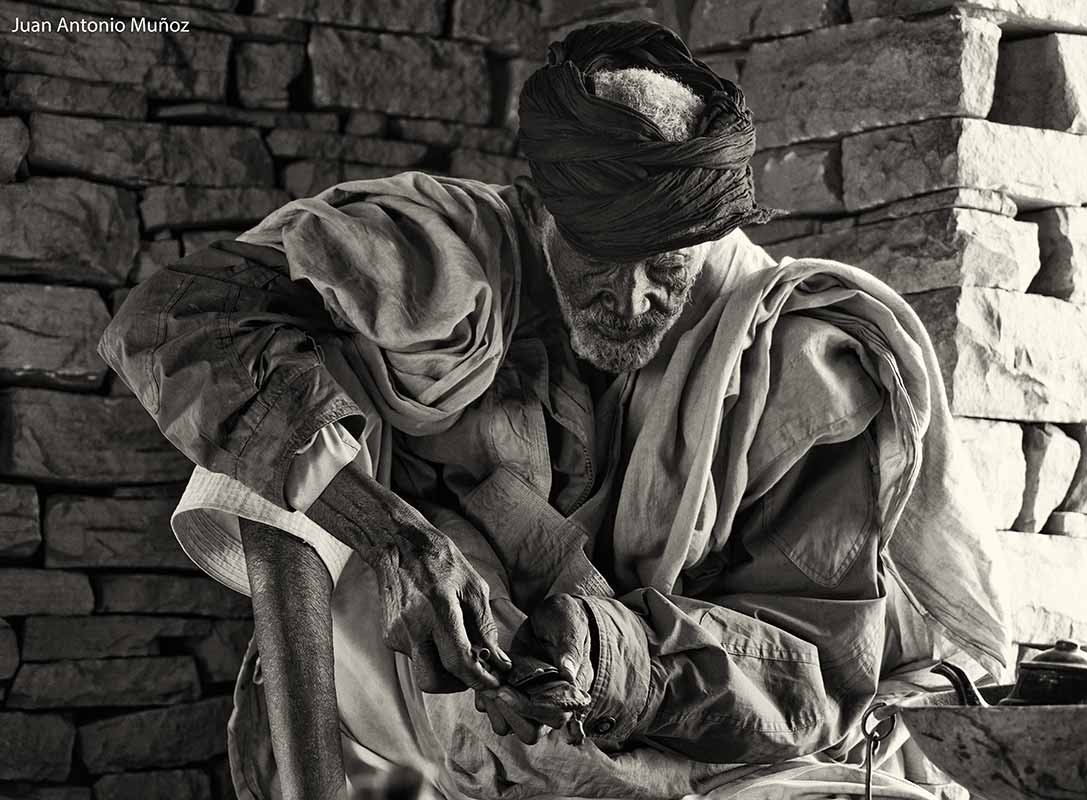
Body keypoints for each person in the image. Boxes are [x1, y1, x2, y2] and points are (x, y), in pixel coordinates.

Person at [99, 21, 1009, 800]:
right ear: (540, 210)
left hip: (691, 735)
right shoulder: (446, 256)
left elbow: (816, 668)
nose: (634, 297)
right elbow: (175, 320)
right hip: (413, 714)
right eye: (599, 257)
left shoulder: (796, 364)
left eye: (667, 263)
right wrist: (390, 533)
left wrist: (617, 660)